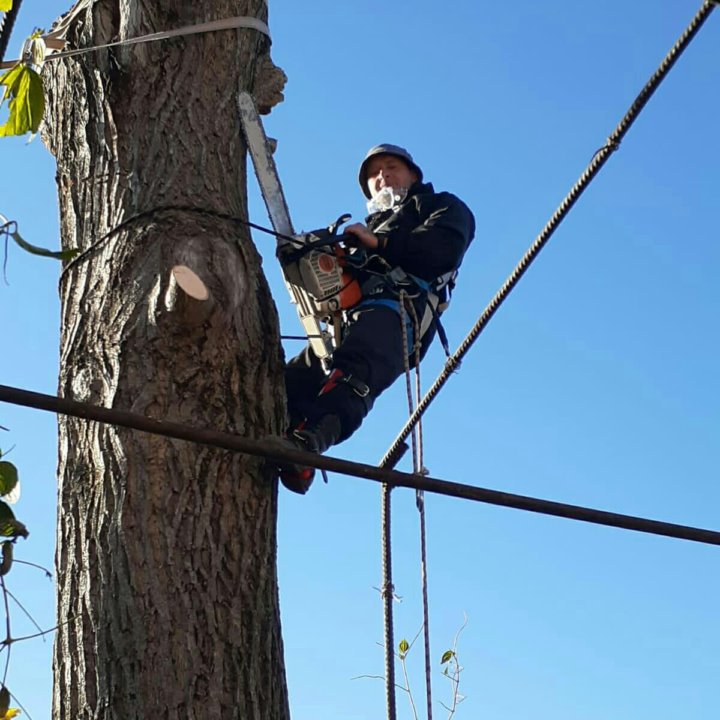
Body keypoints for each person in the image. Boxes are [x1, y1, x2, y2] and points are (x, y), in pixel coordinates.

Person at [278, 143, 475, 493]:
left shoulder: (441, 206)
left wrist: (380, 244)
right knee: (290, 381)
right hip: (347, 322)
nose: (382, 176)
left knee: (356, 369)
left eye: (391, 168)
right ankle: (285, 440)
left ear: (413, 175)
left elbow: (443, 249)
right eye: (373, 174)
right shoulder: (366, 231)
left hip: (400, 311)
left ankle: (309, 446)